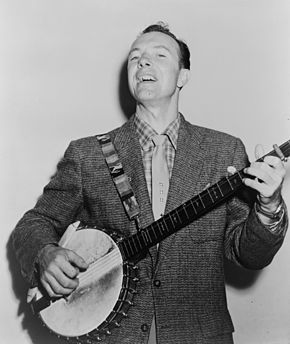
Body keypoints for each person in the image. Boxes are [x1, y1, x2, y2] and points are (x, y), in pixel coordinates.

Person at [12, 22, 288, 344]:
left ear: (183, 76)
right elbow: (35, 222)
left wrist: (269, 209)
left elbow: (249, 255)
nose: (143, 62)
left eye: (159, 54)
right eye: (135, 57)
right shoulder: (87, 154)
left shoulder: (223, 150)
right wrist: (43, 253)